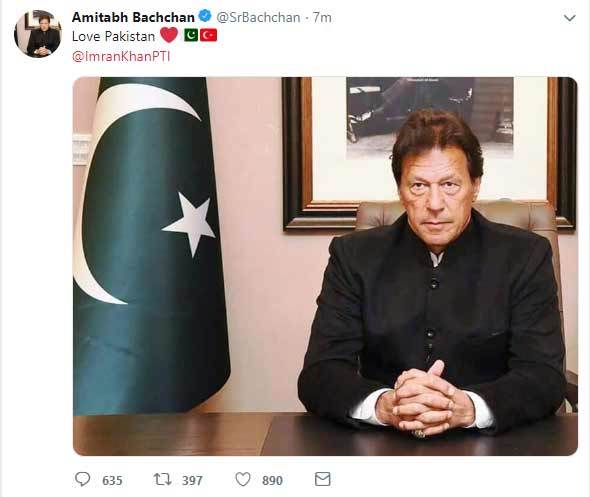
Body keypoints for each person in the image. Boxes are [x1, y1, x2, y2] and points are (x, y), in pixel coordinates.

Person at [298, 108, 565, 437]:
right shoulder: (353, 256)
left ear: (475, 185)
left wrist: (466, 408)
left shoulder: (525, 256)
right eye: (419, 186)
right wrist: (386, 405)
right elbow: (319, 373)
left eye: (450, 184)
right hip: (384, 444)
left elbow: (544, 376)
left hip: (493, 445)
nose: (435, 203)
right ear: (400, 190)